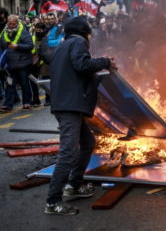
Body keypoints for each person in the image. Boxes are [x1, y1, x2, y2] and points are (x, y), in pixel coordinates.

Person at [45, 17, 115, 215]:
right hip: (70, 106)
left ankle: (75, 185)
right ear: (85, 33)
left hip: (66, 104)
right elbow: (82, 64)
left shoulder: (63, 46)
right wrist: (106, 62)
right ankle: (53, 201)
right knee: (68, 153)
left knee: (88, 143)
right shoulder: (77, 42)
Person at [0, 15, 34, 112]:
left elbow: (30, 45)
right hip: (10, 65)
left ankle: (27, 103)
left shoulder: (23, 32)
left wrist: (18, 46)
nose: (11, 26)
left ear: (17, 23)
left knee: (24, 84)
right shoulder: (3, 33)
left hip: (23, 64)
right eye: (9, 24)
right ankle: (8, 105)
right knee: (10, 84)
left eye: (13, 24)